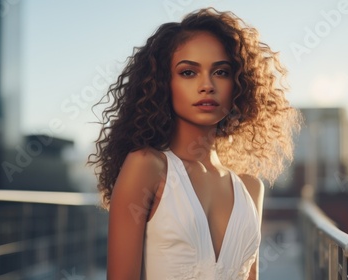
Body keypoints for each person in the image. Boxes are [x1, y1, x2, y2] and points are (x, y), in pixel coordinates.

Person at [89, 7, 300, 280]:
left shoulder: (250, 187)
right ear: (165, 83)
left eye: (221, 72)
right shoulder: (146, 167)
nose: (207, 85)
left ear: (238, 84)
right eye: (188, 72)